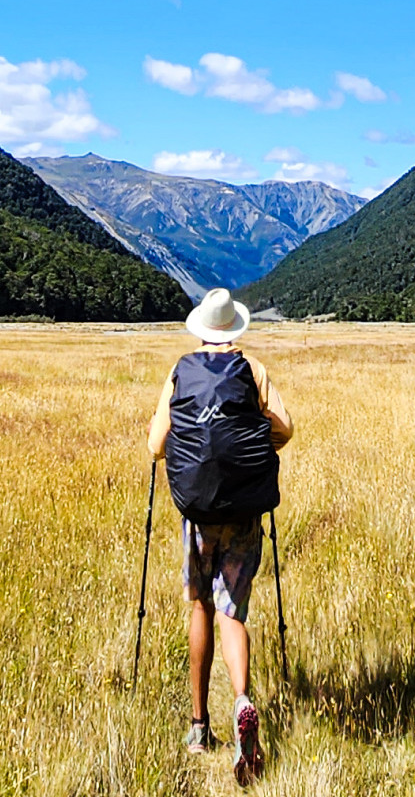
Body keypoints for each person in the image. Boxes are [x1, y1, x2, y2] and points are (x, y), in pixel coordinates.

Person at [147, 287, 293, 785]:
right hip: (244, 510)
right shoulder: (252, 371)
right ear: (234, 329)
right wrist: (254, 435)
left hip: (197, 512)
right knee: (233, 610)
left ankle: (198, 727)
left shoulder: (180, 371)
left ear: (201, 330)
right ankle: (242, 701)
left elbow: (154, 444)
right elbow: (287, 429)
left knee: (201, 608)